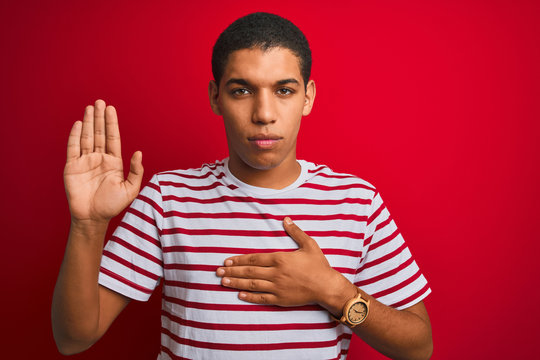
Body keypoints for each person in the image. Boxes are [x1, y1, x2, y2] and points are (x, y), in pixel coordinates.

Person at [52, 12, 433, 360]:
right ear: (216, 97)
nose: (264, 114)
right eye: (241, 90)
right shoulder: (168, 198)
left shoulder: (356, 203)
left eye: (284, 90)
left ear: (308, 97)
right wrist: (88, 226)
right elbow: (73, 338)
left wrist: (333, 291)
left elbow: (418, 347)